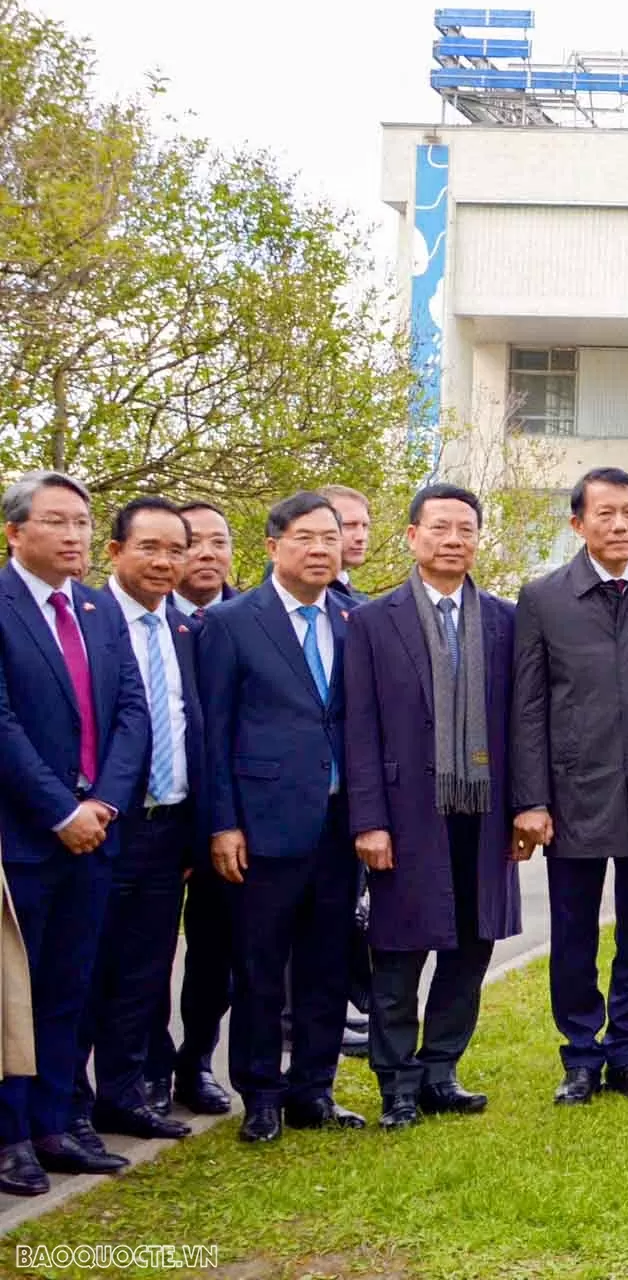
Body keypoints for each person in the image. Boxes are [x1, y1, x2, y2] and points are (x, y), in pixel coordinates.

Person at [343, 484, 522, 1129]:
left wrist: (528, 806)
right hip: (404, 809)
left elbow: (525, 722)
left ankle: (442, 1070)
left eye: (466, 529)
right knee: (396, 952)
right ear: (412, 536)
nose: (454, 540)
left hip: (485, 808)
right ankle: (396, 1083)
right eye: (441, 528)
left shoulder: (506, 620)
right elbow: (357, 727)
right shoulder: (370, 621)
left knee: (471, 946)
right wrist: (368, 820)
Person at [511, 467, 628, 1106]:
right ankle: (581, 1055)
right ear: (577, 523)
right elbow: (528, 708)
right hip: (572, 793)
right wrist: (530, 800)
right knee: (574, 933)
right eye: (605, 514)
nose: (620, 525)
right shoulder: (545, 598)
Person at [195, 491, 366, 1143]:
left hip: (337, 823)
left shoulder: (356, 619)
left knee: (327, 964)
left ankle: (313, 1091)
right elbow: (213, 730)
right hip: (260, 826)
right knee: (261, 967)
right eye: (307, 537)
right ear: (272, 547)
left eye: (331, 536)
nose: (322, 548)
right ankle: (261, 1094)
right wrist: (222, 823)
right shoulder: (234, 623)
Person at [0, 472, 150, 1193]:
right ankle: (11, 1136)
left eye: (82, 523)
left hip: (99, 833)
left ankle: (58, 1124)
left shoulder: (97, 609)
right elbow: (0, 725)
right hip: (26, 839)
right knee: (12, 995)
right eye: (57, 522)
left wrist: (105, 806)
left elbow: (131, 713)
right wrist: (61, 811)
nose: (74, 536)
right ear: (15, 532)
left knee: (71, 986)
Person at [78, 499, 206, 1146]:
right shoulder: (86, 620)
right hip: (101, 826)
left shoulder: (187, 631)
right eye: (149, 548)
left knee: (145, 972)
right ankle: (66, 1107)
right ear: (115, 551)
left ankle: (124, 1097)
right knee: (83, 970)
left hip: (169, 827)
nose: (164, 562)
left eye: (175, 550)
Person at [154, 499, 239, 1118]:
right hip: (160, 819)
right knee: (148, 955)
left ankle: (197, 1061)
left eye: (219, 542)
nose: (207, 555)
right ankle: (148, 1064)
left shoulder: (249, 619)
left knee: (218, 955)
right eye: (194, 544)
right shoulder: (150, 624)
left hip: (233, 820)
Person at [316, 483, 373, 1058]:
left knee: (338, 912)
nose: (354, 537)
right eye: (342, 527)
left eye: (360, 526)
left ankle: (332, 1014)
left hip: (344, 795)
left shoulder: (352, 604)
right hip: (294, 796)